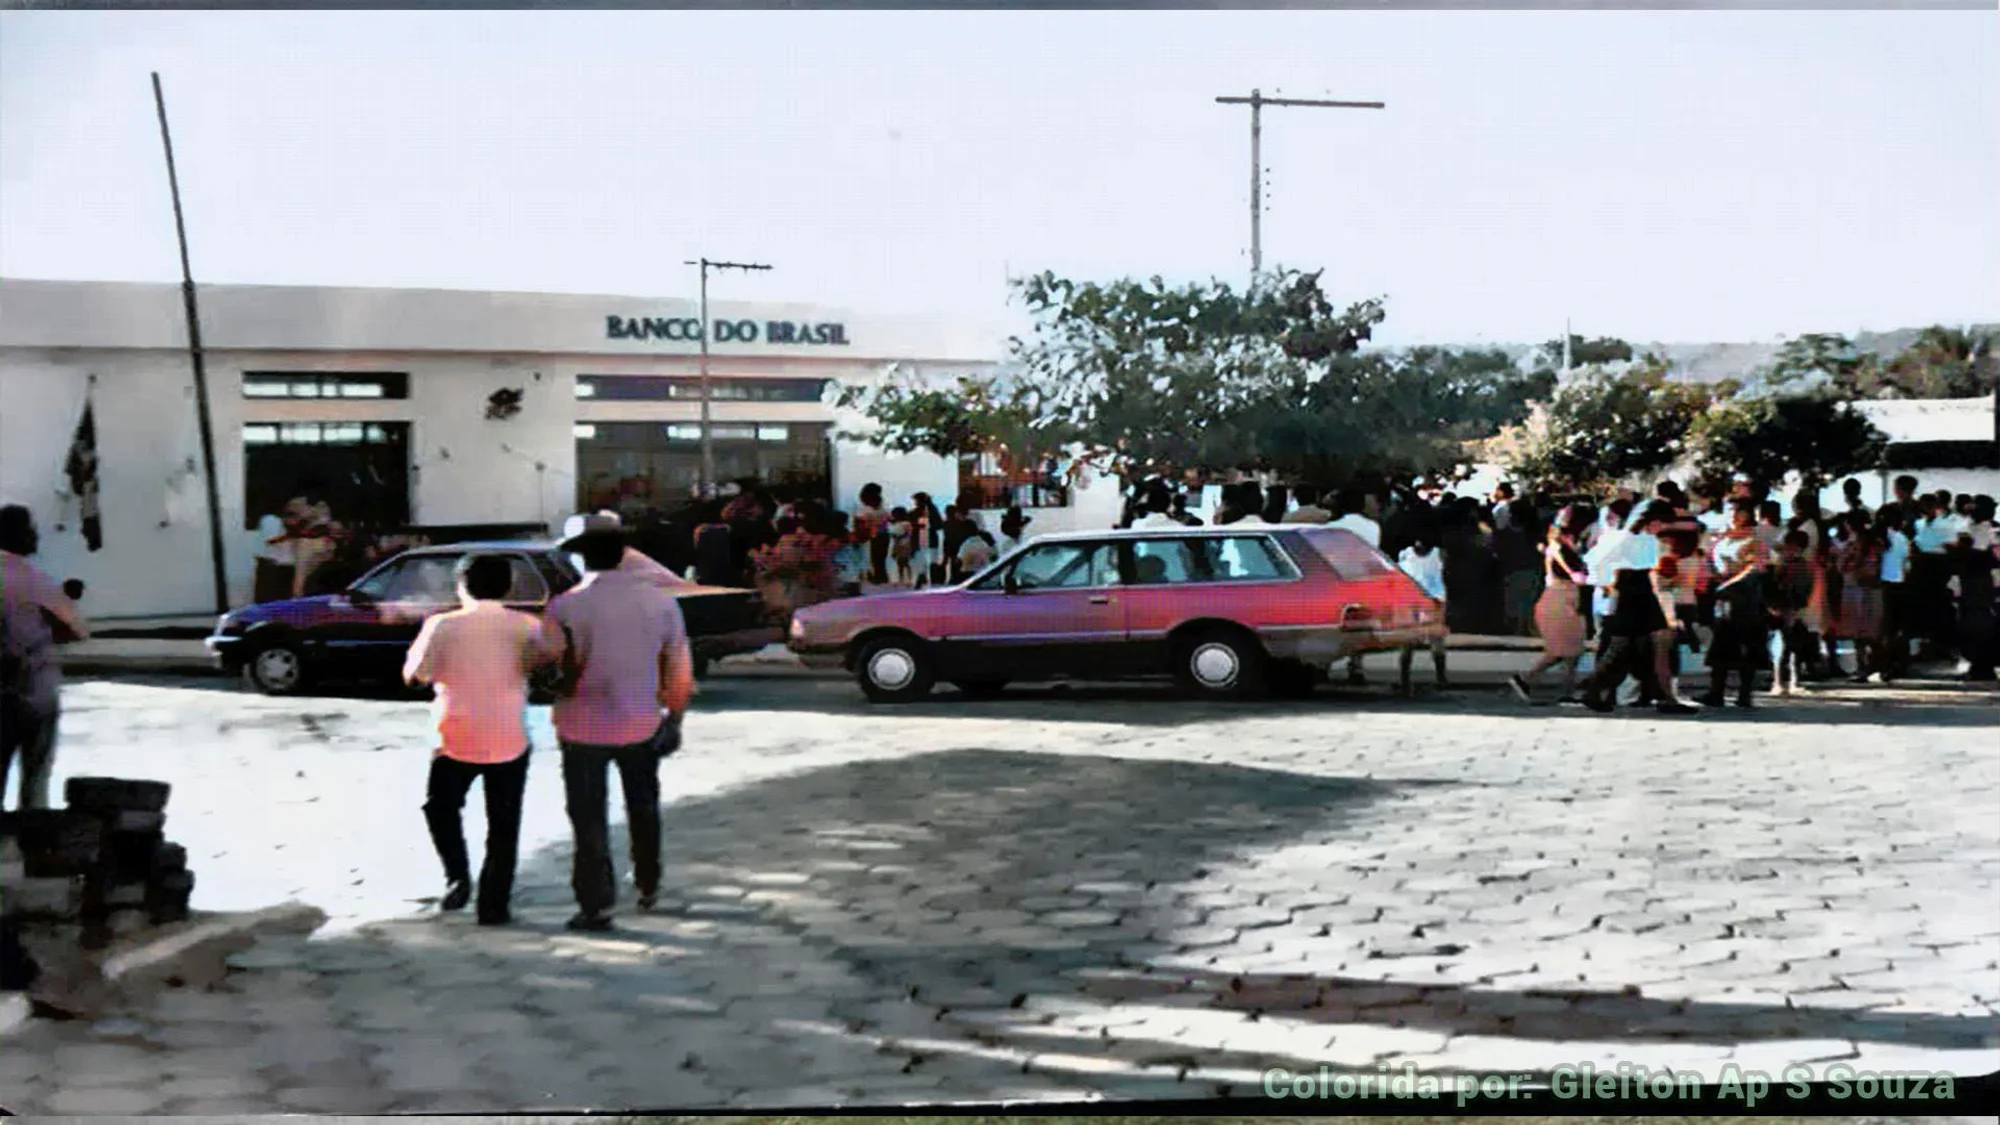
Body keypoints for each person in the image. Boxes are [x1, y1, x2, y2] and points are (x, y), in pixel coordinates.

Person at [543, 514, 697, 932]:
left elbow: (550, 666)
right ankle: (647, 882)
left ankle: (595, 904)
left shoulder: (565, 606)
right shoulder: (661, 603)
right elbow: (678, 669)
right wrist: (675, 718)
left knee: (588, 815)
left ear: (581, 558)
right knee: (643, 806)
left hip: (581, 726)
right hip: (641, 723)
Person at [401, 554, 545, 926]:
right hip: (509, 734)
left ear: (461, 585)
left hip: (454, 734)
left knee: (440, 808)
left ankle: (458, 877)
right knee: (504, 822)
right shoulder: (528, 626)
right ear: (508, 587)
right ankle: (494, 905)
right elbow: (539, 666)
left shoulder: (442, 624)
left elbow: (416, 674)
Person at [1, 506, 90, 810]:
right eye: (31, 529)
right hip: (35, 693)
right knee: (35, 781)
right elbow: (77, 630)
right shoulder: (34, 579)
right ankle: (32, 834)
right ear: (19, 535)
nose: (36, 536)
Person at [1579, 502, 1698, 715]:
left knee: (1659, 644)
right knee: (1620, 647)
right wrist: (1607, 583)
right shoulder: (1624, 538)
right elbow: (1596, 561)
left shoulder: (1648, 539)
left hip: (1643, 590)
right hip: (1628, 591)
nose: (1661, 528)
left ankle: (1667, 697)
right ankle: (1594, 690)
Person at [1510, 504, 1591, 703]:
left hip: (1567, 598)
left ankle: (1565, 690)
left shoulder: (1567, 544)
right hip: (1560, 598)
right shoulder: (1559, 547)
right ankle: (1527, 678)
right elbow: (1575, 574)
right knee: (1563, 649)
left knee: (1572, 650)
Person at [1700, 499, 1770, 709]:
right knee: (1721, 644)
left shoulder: (1754, 540)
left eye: (1738, 510)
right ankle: (1716, 691)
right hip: (1723, 597)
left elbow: (1756, 568)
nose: (1733, 514)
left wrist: (1730, 583)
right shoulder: (1723, 538)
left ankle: (1744, 693)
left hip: (1746, 598)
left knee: (1746, 645)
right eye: (1730, 510)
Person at [1834, 509, 1888, 683]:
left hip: (1855, 588)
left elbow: (1841, 565)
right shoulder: (1877, 543)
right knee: (1873, 631)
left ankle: (1863, 667)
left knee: (1858, 632)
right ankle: (1878, 666)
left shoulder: (1854, 543)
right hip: (1873, 589)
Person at [1394, 529, 1449, 692]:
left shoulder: (1409, 554)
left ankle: (1407, 679)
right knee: (1420, 641)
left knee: (1422, 641)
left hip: (1427, 601)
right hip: (1425, 600)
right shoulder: (1436, 554)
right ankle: (1437, 678)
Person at [1769, 529, 1818, 696]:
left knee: (1793, 646)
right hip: (1783, 609)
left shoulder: (1800, 566)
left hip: (1793, 609)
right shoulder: (1782, 566)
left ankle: (1791, 681)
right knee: (1781, 646)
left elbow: (1803, 590)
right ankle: (1779, 681)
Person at [854, 483, 890, 585]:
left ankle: (875, 577)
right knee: (880, 558)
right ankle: (882, 577)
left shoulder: (865, 510)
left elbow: (861, 522)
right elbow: (886, 519)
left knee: (873, 558)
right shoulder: (882, 507)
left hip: (872, 535)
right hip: (884, 534)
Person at [888, 507, 916, 586]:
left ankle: (908, 579)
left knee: (905, 562)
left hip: (904, 545)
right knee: (900, 563)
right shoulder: (902, 523)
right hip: (899, 544)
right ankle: (902, 579)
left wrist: (896, 536)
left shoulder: (906, 524)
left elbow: (906, 534)